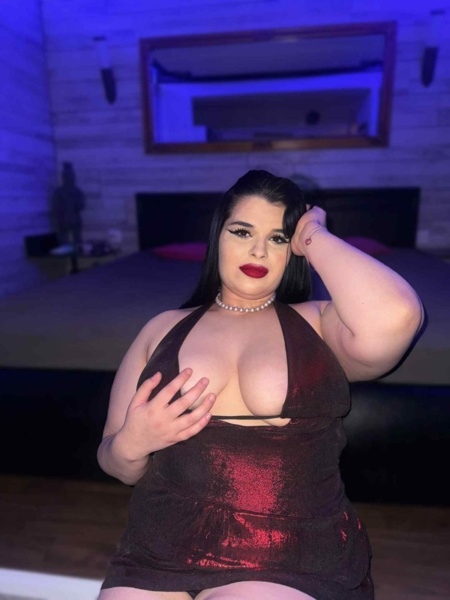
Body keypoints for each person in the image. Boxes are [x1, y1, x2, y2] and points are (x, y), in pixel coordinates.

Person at [97, 170, 423, 600]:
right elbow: (114, 462)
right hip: (158, 545)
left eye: (277, 238)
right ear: (218, 235)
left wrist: (314, 235)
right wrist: (132, 443)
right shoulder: (161, 329)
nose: (258, 250)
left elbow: (399, 315)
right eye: (242, 231)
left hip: (286, 551)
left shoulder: (319, 324)